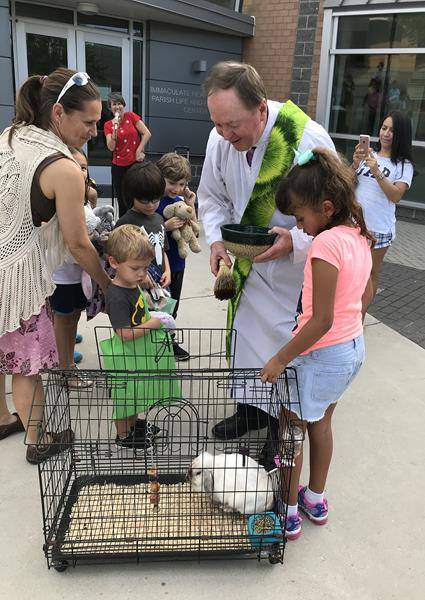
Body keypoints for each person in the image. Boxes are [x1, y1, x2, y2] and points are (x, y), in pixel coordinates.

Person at [197, 61, 335, 440]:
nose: (224, 135)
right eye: (217, 124)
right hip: (247, 267)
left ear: (261, 108)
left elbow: (337, 218)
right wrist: (216, 241)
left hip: (292, 275)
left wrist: (295, 240)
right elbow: (211, 197)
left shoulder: (307, 139)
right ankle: (250, 412)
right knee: (244, 338)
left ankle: (280, 425)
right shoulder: (219, 139)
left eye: (232, 125)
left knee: (282, 347)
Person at [260, 148, 373, 540]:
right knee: (321, 423)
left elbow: (321, 320)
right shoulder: (358, 234)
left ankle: (288, 511)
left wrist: (279, 357)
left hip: (319, 355)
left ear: (326, 207)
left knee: (291, 431)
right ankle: (316, 497)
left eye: (301, 217)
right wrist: (349, 326)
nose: (300, 226)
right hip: (350, 351)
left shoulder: (326, 244)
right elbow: (368, 291)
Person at [0, 68, 110, 463]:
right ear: (59, 112)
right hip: (17, 277)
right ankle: (37, 440)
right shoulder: (64, 168)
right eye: (90, 122)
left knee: (2, 351)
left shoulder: (12, 135)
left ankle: (1, 417)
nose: (95, 132)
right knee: (27, 365)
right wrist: (106, 284)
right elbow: (78, 243)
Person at [101, 225, 178, 447]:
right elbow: (124, 333)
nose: (142, 274)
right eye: (136, 268)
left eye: (145, 268)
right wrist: (153, 323)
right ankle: (124, 435)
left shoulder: (132, 284)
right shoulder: (116, 295)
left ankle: (134, 425)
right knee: (125, 398)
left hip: (136, 354)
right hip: (125, 355)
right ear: (114, 262)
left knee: (135, 393)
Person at [352, 110, 414, 300]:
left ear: (401, 135)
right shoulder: (368, 154)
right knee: (350, 273)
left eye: (392, 130)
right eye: (384, 128)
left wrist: (377, 171)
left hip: (378, 229)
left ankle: (358, 321)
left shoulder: (404, 165)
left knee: (369, 274)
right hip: (353, 224)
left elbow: (395, 196)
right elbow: (345, 184)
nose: (386, 133)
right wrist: (355, 164)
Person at [50, 147, 99, 386]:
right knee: (63, 319)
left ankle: (68, 360)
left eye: (83, 167)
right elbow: (74, 242)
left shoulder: (85, 197)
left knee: (73, 318)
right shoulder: (63, 197)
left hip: (79, 274)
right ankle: (65, 370)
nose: (80, 172)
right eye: (74, 166)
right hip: (63, 275)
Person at [156, 152, 198, 361]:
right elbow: (145, 232)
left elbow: (195, 230)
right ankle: (157, 343)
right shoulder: (154, 201)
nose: (177, 189)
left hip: (178, 264)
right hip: (159, 266)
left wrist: (191, 203)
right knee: (158, 305)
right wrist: (165, 226)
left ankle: (169, 342)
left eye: (182, 184)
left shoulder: (182, 199)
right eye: (172, 183)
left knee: (174, 305)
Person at [115, 162, 172, 309]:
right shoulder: (125, 222)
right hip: (136, 289)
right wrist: (140, 275)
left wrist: (168, 270)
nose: (151, 205)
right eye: (144, 200)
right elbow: (118, 260)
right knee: (141, 327)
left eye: (155, 200)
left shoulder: (159, 219)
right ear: (131, 196)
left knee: (163, 325)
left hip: (160, 284)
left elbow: (162, 249)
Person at [104, 92, 152, 218]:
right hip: (119, 166)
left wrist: (138, 150)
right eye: (114, 104)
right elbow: (111, 147)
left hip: (134, 164)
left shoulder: (131, 116)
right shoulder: (108, 125)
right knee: (122, 198)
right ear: (110, 108)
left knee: (137, 194)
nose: (117, 106)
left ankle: (139, 221)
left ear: (123, 105)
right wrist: (115, 128)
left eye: (119, 103)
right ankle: (124, 226)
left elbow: (146, 133)